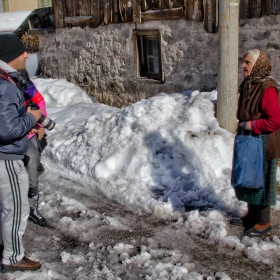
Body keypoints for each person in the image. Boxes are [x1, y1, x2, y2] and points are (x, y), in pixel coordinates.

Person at [0, 34, 42, 271]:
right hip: (6, 156)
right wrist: (31, 117)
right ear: (8, 57)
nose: (27, 55)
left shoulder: (4, 81)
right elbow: (7, 130)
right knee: (16, 207)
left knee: (5, 207)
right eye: (22, 51)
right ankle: (13, 257)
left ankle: (4, 246)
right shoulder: (6, 87)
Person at [230, 49, 280, 237]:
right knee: (248, 177)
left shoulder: (268, 88)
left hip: (263, 141)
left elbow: (275, 120)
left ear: (258, 65)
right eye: (244, 62)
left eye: (248, 62)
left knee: (262, 181)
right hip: (248, 139)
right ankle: (251, 216)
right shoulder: (248, 84)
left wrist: (253, 125)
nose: (243, 65)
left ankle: (263, 221)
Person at [19, 69, 48, 226]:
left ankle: (32, 208)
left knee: (32, 173)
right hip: (9, 139)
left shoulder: (26, 85)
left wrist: (39, 123)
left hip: (28, 136)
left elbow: (40, 102)